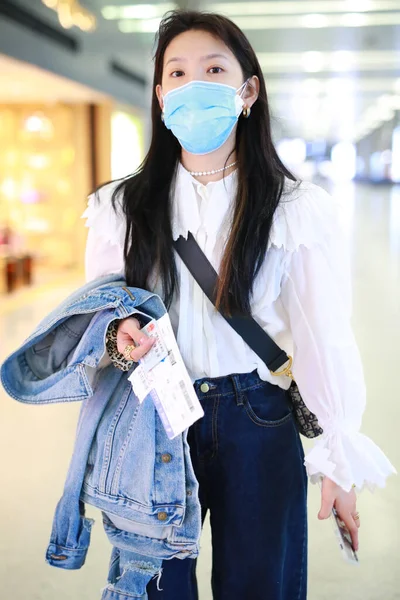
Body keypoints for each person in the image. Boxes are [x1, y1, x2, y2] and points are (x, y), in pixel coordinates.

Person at [83, 10, 395, 600]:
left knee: (261, 586)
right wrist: (118, 325)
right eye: (177, 72)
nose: (192, 85)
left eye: (214, 69)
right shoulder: (120, 207)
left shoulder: (290, 206)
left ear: (247, 91)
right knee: (155, 586)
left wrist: (338, 460)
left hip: (260, 415)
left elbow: (321, 332)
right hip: (157, 416)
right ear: (159, 94)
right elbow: (99, 307)